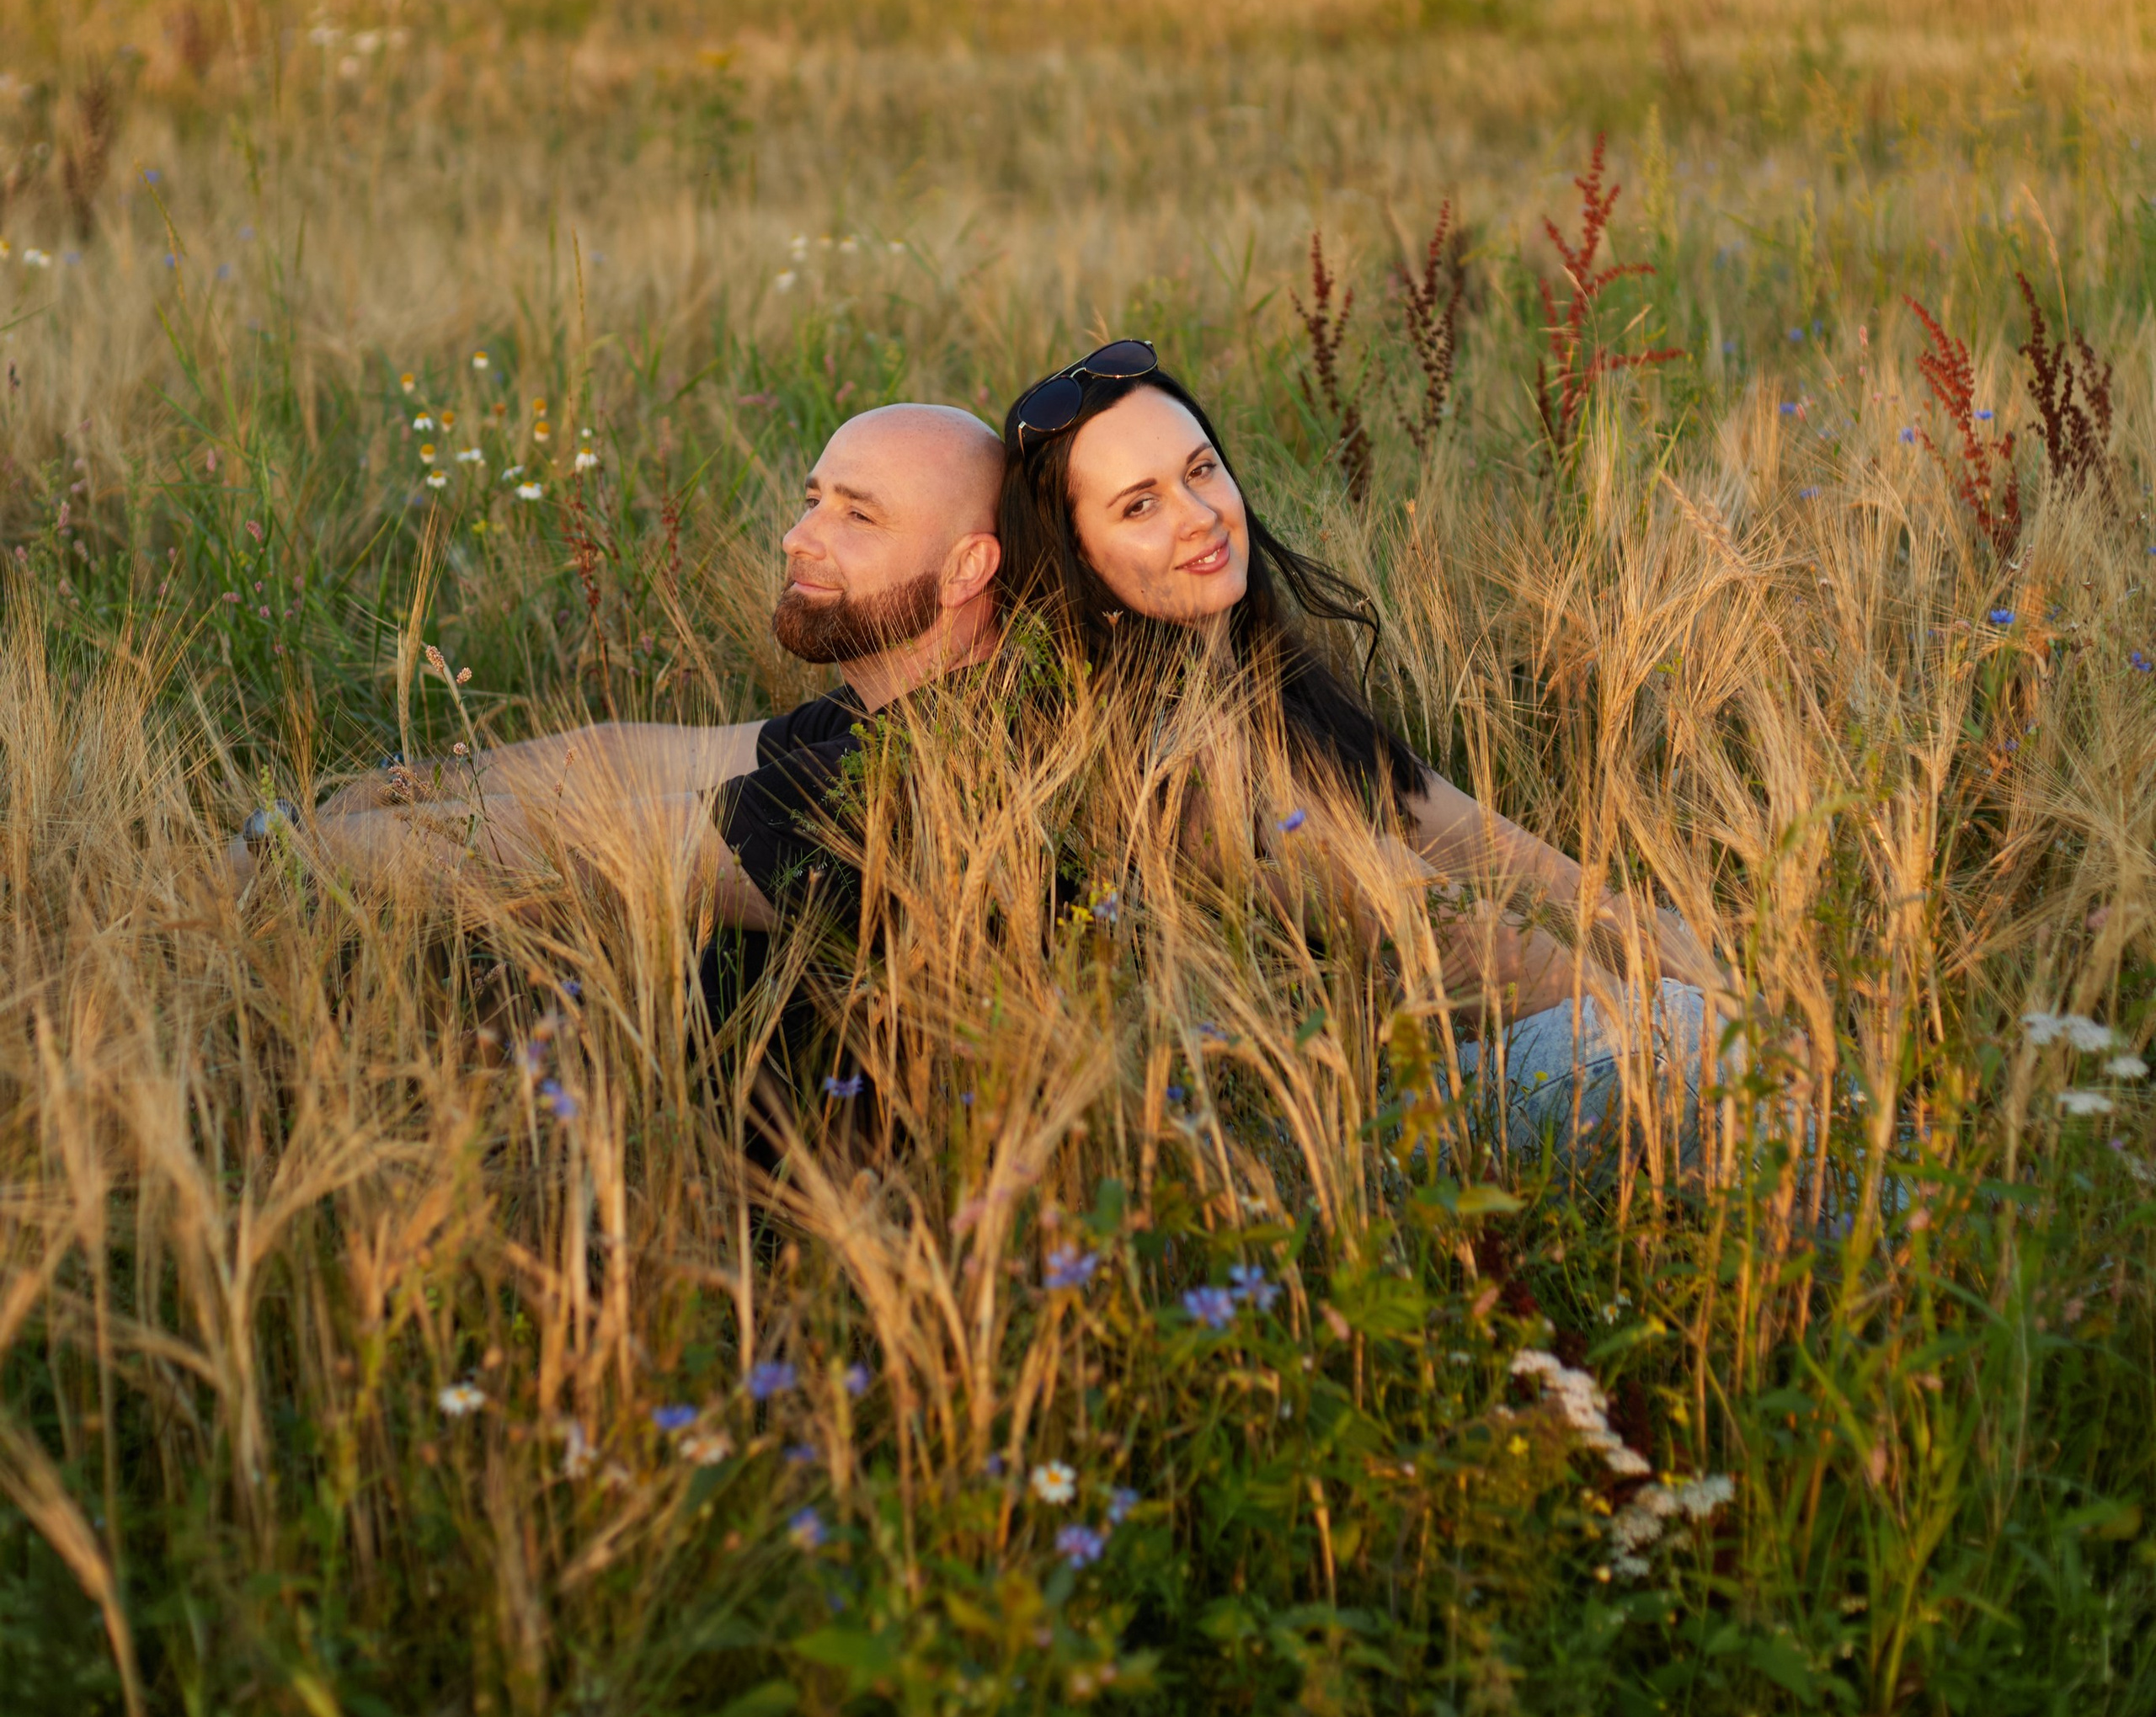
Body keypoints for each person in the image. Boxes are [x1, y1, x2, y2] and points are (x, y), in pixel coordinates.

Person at [995, 339, 1721, 1148]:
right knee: (1711, 1055)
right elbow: (1448, 936)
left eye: (1200, 471)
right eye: (1140, 505)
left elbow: (1501, 854)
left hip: (1513, 1046)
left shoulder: (1275, 689)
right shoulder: (1170, 763)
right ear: (1076, 562)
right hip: (1401, 1112)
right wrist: (1689, 1027)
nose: (1200, 516)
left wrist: (1699, 965)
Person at [239, 403, 1004, 954]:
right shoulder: (895, 714)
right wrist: (390, 788)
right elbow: (619, 758)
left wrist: (278, 853)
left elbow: (590, 844)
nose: (796, 538)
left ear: (967, 566)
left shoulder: (922, 781)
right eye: (812, 501)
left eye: (857, 518)